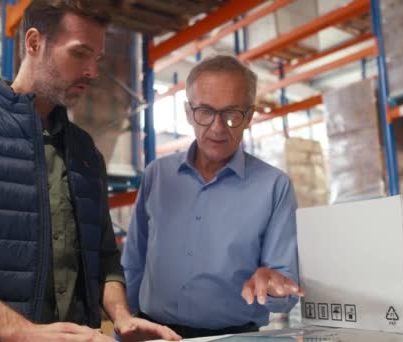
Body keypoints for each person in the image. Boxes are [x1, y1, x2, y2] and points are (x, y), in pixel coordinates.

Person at [0, 1, 181, 341]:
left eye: (98, 58)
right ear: (33, 43)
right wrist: (22, 332)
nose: (93, 70)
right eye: (80, 53)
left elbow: (104, 256)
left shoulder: (85, 152)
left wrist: (122, 316)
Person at [121, 55, 305, 338]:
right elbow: (133, 262)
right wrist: (125, 325)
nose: (218, 127)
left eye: (232, 114)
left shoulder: (274, 186)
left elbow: (284, 283)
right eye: (205, 112)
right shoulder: (157, 175)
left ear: (250, 116)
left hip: (234, 337)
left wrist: (273, 285)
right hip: (154, 333)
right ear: (187, 112)